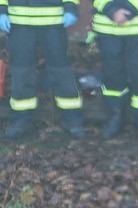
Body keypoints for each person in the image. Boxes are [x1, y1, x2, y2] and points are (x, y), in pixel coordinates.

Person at [0, 0, 85, 140]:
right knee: (22, 73)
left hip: (54, 23)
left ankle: (73, 121)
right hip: (20, 24)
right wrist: (1, 10)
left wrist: (70, 7)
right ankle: (21, 121)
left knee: (61, 72)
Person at [90, 0, 138, 141]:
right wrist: (112, 11)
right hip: (107, 28)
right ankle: (115, 118)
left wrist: (129, 10)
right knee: (112, 76)